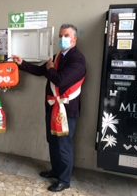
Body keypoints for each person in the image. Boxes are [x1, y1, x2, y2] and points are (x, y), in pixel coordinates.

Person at [12, 24, 86, 192]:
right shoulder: (58, 56)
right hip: (52, 106)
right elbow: (41, 71)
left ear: (75, 39)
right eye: (60, 35)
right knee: (52, 141)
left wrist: (50, 68)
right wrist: (22, 63)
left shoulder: (78, 60)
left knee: (63, 145)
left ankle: (64, 180)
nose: (62, 39)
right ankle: (56, 170)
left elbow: (60, 80)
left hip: (67, 110)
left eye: (66, 35)